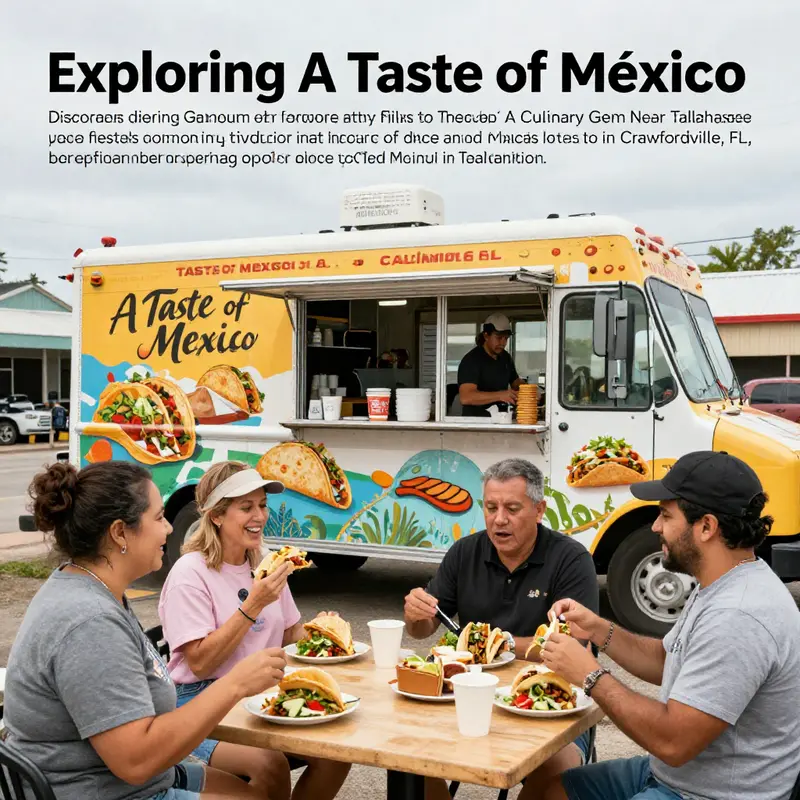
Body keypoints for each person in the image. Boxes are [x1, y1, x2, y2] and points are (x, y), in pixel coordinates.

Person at [2, 460, 286, 800]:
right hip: (106, 790)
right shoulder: (89, 623)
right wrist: (236, 684)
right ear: (120, 532)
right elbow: (136, 761)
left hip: (133, 778)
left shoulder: (91, 587)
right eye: (158, 518)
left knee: (265, 786)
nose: (168, 529)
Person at [532, 451, 800, 800]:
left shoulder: (738, 615)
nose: (656, 526)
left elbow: (673, 741)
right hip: (673, 776)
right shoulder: (722, 583)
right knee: (547, 790)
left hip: (708, 794)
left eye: (665, 515)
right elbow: (666, 659)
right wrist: (598, 629)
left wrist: (590, 675)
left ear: (706, 526)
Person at [403, 458, 599, 800]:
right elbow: (422, 629)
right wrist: (416, 614)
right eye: (490, 507)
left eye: (512, 508)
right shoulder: (465, 552)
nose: (499, 519)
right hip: (468, 692)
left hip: (550, 695)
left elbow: (576, 643)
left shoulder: (570, 558)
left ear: (539, 510)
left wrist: (502, 644)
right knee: (406, 753)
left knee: (561, 771)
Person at [158, 461, 350, 800]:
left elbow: (291, 634)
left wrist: (324, 633)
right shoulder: (190, 573)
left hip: (262, 690)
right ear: (216, 516)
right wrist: (252, 606)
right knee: (269, 764)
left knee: (337, 752)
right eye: (246, 507)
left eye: (262, 505)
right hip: (202, 698)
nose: (259, 516)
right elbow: (200, 662)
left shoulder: (264, 559)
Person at [457, 312, 525, 417]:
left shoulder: (505, 357)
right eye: (498, 338)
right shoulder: (472, 360)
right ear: (486, 336)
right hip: (477, 423)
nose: (503, 343)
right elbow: (466, 397)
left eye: (506, 338)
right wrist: (501, 395)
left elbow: (515, 383)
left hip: (501, 419)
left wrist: (530, 391)